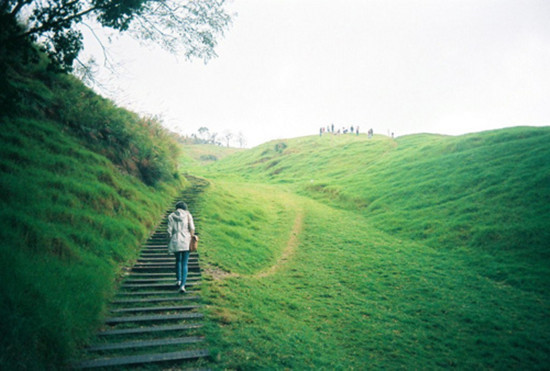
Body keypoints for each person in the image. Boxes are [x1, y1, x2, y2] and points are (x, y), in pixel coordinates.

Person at [167, 201, 195, 293]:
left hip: (175, 240)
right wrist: (191, 238)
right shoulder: (188, 215)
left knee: (178, 260)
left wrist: (169, 240)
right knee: (185, 263)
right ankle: (183, 285)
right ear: (185, 208)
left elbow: (169, 231)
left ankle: (178, 280)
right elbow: (192, 228)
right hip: (186, 240)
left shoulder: (171, 216)